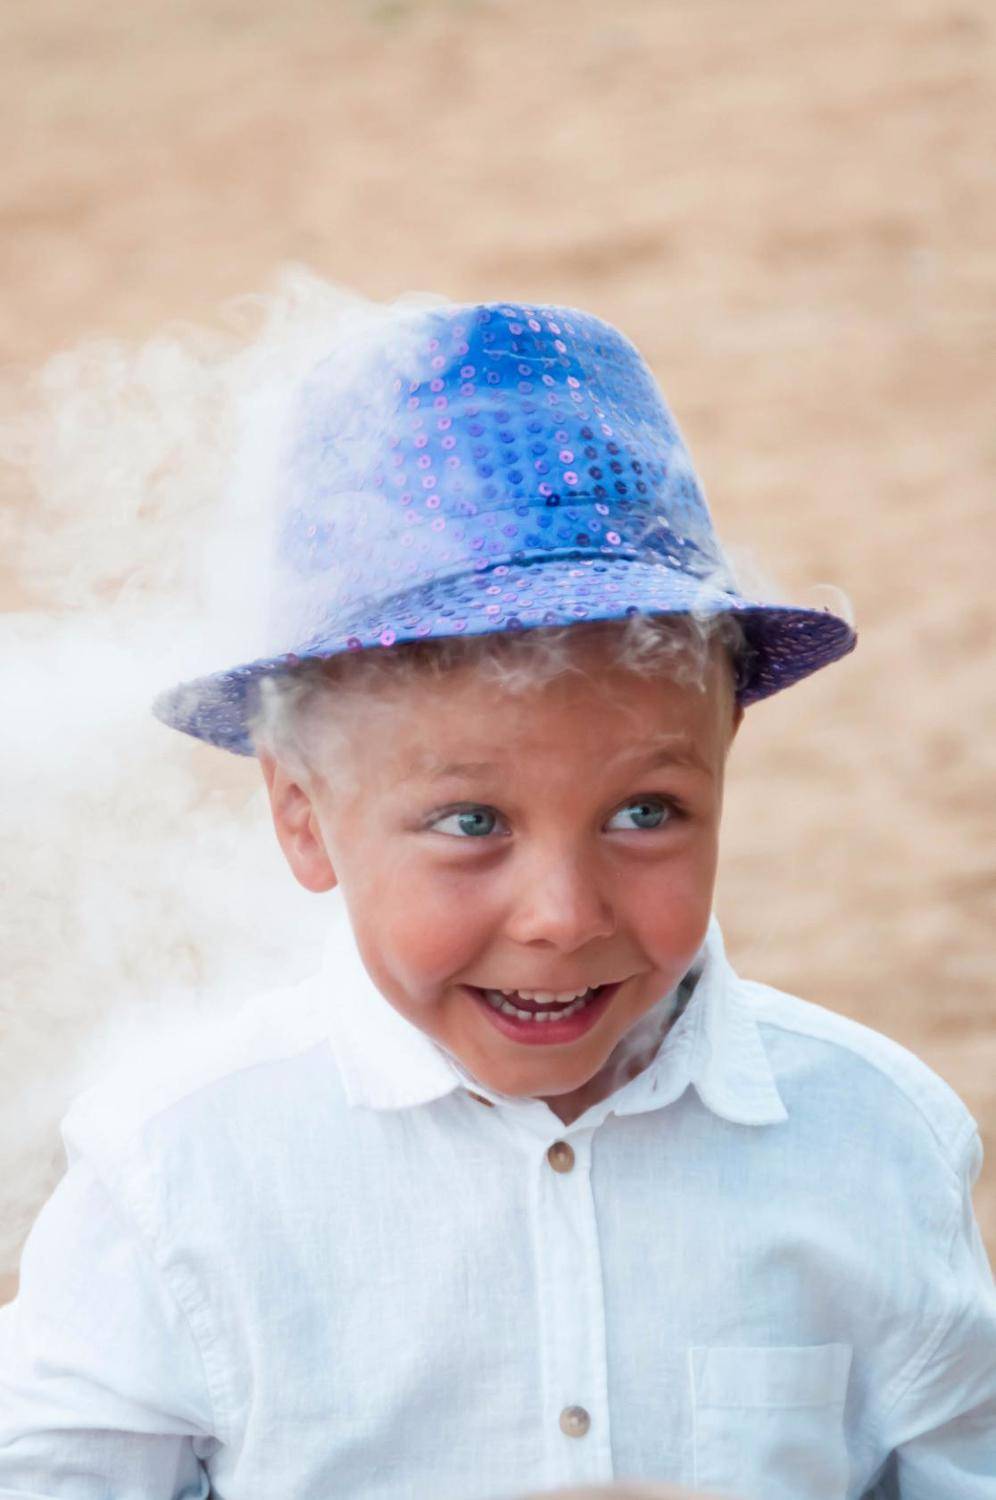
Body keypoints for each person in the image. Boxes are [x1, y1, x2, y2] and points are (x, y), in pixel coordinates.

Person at [0, 299, 993, 1500]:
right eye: (471, 824)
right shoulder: (175, 1177)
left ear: (726, 752)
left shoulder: (879, 1143)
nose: (562, 916)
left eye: (646, 811)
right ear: (303, 814)